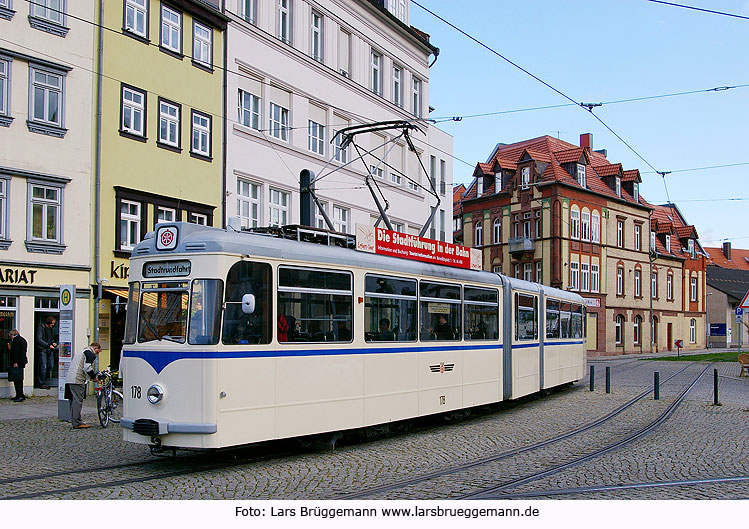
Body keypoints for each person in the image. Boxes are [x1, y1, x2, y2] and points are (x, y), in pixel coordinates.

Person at [65, 342, 101, 429]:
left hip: (69, 378)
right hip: (78, 379)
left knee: (72, 401)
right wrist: (93, 377)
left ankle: (75, 420)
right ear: (95, 348)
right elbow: (87, 367)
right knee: (78, 401)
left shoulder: (81, 352)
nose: (97, 354)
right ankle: (77, 422)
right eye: (98, 352)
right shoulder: (89, 353)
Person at [35, 316, 57, 389]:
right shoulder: (41, 328)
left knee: (50, 365)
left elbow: (51, 338)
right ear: (49, 322)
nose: (53, 324)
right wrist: (48, 345)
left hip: (49, 349)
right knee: (43, 366)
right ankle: (41, 383)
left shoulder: (50, 329)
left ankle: (44, 380)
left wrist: (53, 342)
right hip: (43, 349)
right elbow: (39, 339)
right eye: (52, 323)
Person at [9, 330, 28, 402]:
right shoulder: (22, 339)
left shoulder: (16, 341)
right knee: (19, 379)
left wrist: (15, 362)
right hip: (22, 361)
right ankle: (19, 395)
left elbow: (16, 352)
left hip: (18, 362)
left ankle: (19, 395)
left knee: (17, 380)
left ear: (12, 335)